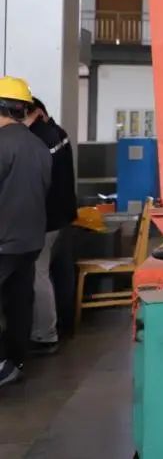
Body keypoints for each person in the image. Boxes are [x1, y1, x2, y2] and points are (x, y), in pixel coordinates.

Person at [0, 77, 52, 388]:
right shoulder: (38, 145)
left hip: (4, 240)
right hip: (30, 240)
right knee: (19, 301)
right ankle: (14, 363)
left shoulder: (2, 144)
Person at [24, 97, 77, 355]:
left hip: (47, 220)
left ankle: (45, 335)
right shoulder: (58, 134)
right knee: (61, 272)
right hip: (63, 217)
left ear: (34, 112)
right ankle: (64, 323)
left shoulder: (38, 139)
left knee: (38, 275)